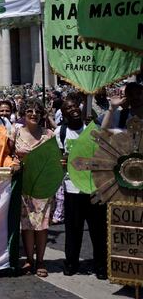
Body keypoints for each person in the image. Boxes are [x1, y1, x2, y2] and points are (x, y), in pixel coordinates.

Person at [57, 95, 107, 279]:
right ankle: (71, 263)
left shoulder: (92, 128)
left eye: (75, 106)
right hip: (72, 187)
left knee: (98, 230)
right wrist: (61, 162)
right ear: (63, 114)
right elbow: (58, 157)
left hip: (94, 186)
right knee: (73, 229)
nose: (73, 109)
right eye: (68, 108)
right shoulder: (60, 132)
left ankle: (101, 266)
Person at [9, 100, 54, 277]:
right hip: (23, 184)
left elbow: (53, 160)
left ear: (42, 114)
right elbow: (9, 154)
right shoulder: (15, 132)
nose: (33, 114)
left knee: (41, 225)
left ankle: (41, 260)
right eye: (29, 110)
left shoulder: (49, 135)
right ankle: (29, 259)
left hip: (42, 184)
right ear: (23, 113)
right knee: (26, 224)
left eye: (37, 111)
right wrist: (16, 161)